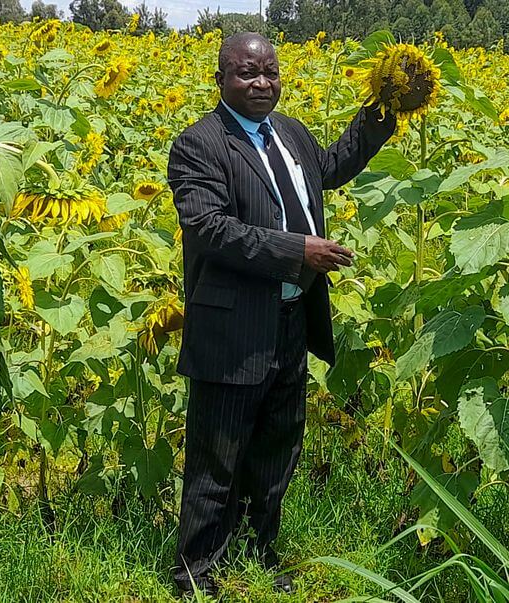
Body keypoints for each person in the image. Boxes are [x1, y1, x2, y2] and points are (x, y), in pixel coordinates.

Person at [167, 31, 397, 598]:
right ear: (220, 79)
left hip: (292, 319)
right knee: (216, 459)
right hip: (233, 326)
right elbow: (209, 228)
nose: (262, 83)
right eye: (248, 73)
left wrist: (382, 110)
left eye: (270, 72)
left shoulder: (289, 132)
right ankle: (196, 575)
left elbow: (330, 167)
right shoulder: (200, 144)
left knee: (277, 448)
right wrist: (299, 251)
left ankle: (255, 554)